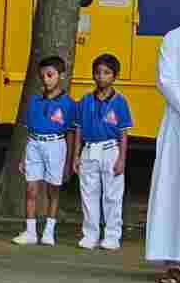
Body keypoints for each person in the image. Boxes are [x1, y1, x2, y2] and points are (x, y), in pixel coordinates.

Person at [13, 56, 77, 246]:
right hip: (34, 144)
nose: (46, 80)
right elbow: (28, 130)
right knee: (31, 189)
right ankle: (31, 231)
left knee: (53, 190)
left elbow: (70, 133)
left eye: (50, 75)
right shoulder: (34, 101)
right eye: (43, 76)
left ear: (61, 76)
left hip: (56, 145)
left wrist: (68, 161)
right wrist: (24, 156)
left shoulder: (68, 103)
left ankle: (49, 231)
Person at [74, 53, 133, 251]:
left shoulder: (120, 102)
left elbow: (123, 133)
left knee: (112, 195)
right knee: (88, 194)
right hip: (89, 150)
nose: (101, 77)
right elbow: (79, 129)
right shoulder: (85, 101)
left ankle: (112, 235)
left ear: (114, 76)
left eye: (106, 73)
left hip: (110, 149)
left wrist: (122, 159)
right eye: (97, 72)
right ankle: (90, 234)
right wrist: (76, 155)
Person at [148, 21, 180, 283]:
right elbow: (165, 79)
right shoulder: (174, 37)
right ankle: (175, 262)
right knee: (177, 190)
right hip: (179, 126)